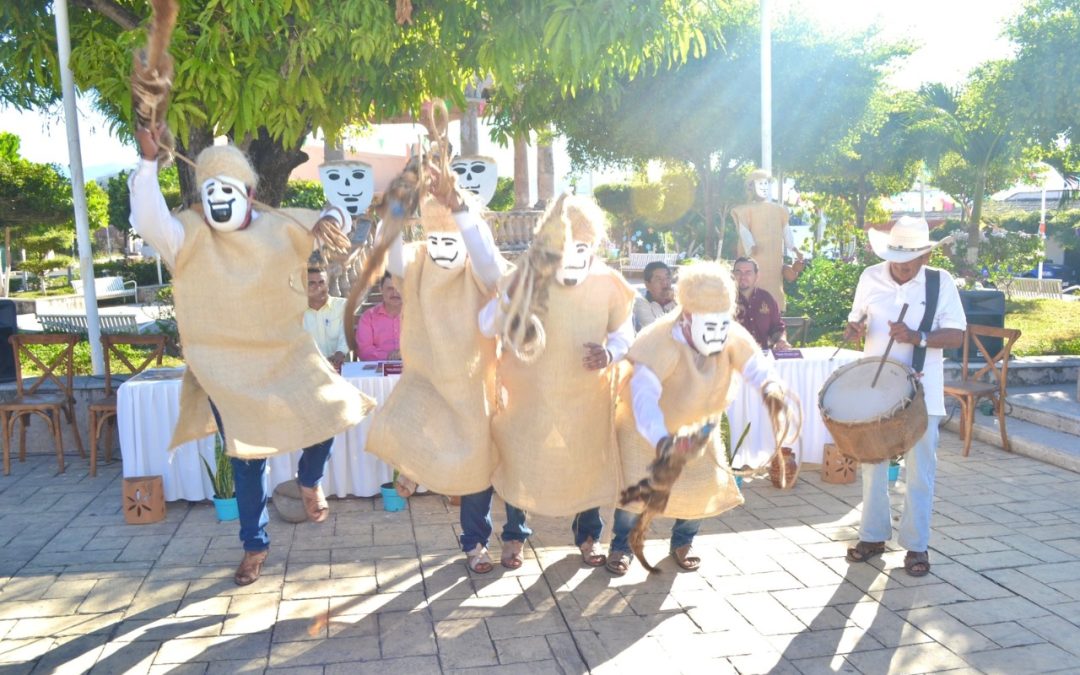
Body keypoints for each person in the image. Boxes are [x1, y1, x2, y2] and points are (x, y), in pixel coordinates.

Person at [129, 126, 371, 586]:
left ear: (250, 193)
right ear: (202, 197)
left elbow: (330, 218)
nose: (219, 198)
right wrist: (146, 164)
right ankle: (254, 547)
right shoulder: (189, 233)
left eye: (229, 189)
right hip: (226, 369)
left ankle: (309, 477)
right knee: (246, 460)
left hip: (283, 355)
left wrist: (335, 212)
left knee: (334, 409)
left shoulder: (280, 224)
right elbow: (148, 219)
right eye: (211, 191)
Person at [360, 165, 514, 574]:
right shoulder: (416, 259)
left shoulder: (479, 268)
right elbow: (387, 248)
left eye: (454, 238)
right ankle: (410, 468)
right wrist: (397, 202)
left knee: (475, 468)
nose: (444, 246)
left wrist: (460, 208)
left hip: (473, 383)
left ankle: (475, 543)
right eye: (435, 238)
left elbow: (492, 266)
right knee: (402, 420)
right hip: (426, 375)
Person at [609, 262, 795, 574]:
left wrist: (771, 389)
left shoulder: (730, 333)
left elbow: (756, 366)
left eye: (722, 322)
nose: (718, 332)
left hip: (696, 424)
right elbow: (643, 399)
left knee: (698, 485)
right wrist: (662, 441)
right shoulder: (658, 339)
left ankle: (683, 540)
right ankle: (621, 546)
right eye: (709, 324)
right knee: (635, 493)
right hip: (645, 430)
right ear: (687, 317)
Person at [486, 195, 636, 568]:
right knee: (522, 458)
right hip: (530, 392)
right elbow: (493, 322)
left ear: (594, 245)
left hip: (586, 396)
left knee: (586, 462)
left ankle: (588, 538)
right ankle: (514, 537)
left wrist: (610, 354)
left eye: (580, 248)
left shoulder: (608, 282)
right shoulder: (529, 276)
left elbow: (623, 334)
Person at [843, 216, 965, 578]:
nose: (900, 265)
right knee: (873, 466)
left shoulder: (939, 282)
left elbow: (956, 335)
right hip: (876, 389)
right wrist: (853, 329)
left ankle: (916, 546)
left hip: (921, 391)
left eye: (908, 259)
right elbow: (857, 320)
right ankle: (873, 537)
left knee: (919, 471)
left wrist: (919, 337)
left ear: (925, 257)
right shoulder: (870, 277)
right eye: (895, 257)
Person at [731, 169, 802, 310]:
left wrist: (793, 248)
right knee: (752, 287)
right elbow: (744, 231)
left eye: (766, 184)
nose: (764, 187)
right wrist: (751, 246)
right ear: (751, 187)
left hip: (774, 262)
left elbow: (786, 231)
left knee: (773, 291)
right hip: (753, 258)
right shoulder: (745, 210)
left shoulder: (779, 210)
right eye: (760, 183)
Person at [733, 256, 790, 351]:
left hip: (762, 357)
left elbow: (776, 328)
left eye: (748, 273)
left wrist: (781, 340)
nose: (743, 277)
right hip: (732, 360)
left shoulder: (767, 299)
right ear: (733, 275)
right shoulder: (724, 301)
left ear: (757, 276)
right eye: (738, 272)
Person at [303, 266, 349, 371]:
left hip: (341, 370)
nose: (318, 287)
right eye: (312, 283)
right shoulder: (297, 314)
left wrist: (340, 353)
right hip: (310, 370)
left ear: (327, 285)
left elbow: (346, 334)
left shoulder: (343, 305)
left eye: (321, 282)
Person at [355, 272, 402, 360]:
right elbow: (364, 350)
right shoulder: (368, 317)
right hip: (378, 370)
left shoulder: (417, 316)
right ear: (381, 289)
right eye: (390, 289)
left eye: (399, 288)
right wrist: (388, 356)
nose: (395, 293)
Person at [633, 261, 676, 329]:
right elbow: (656, 332)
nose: (665, 283)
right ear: (647, 284)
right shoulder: (642, 304)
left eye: (667, 278)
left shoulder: (678, 299)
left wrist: (678, 300)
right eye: (658, 279)